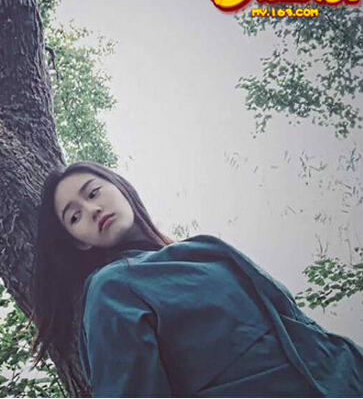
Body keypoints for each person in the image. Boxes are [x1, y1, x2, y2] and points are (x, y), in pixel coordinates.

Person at [29, 161, 363, 397]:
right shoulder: (111, 288)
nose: (92, 210)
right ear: (80, 242)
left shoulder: (200, 250)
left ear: (121, 188)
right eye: (75, 217)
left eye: (93, 193)